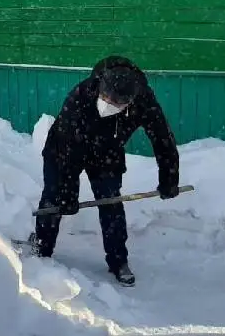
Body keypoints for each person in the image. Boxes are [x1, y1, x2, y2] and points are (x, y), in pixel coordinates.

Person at [27, 55, 181, 286]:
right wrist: (68, 192)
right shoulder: (82, 94)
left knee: (111, 202)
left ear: (130, 101)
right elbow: (67, 151)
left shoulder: (144, 102)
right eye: (105, 97)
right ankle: (42, 248)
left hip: (107, 153)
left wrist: (169, 177)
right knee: (54, 197)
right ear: (101, 86)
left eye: (116, 103)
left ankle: (118, 261)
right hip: (63, 148)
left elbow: (163, 139)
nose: (108, 104)